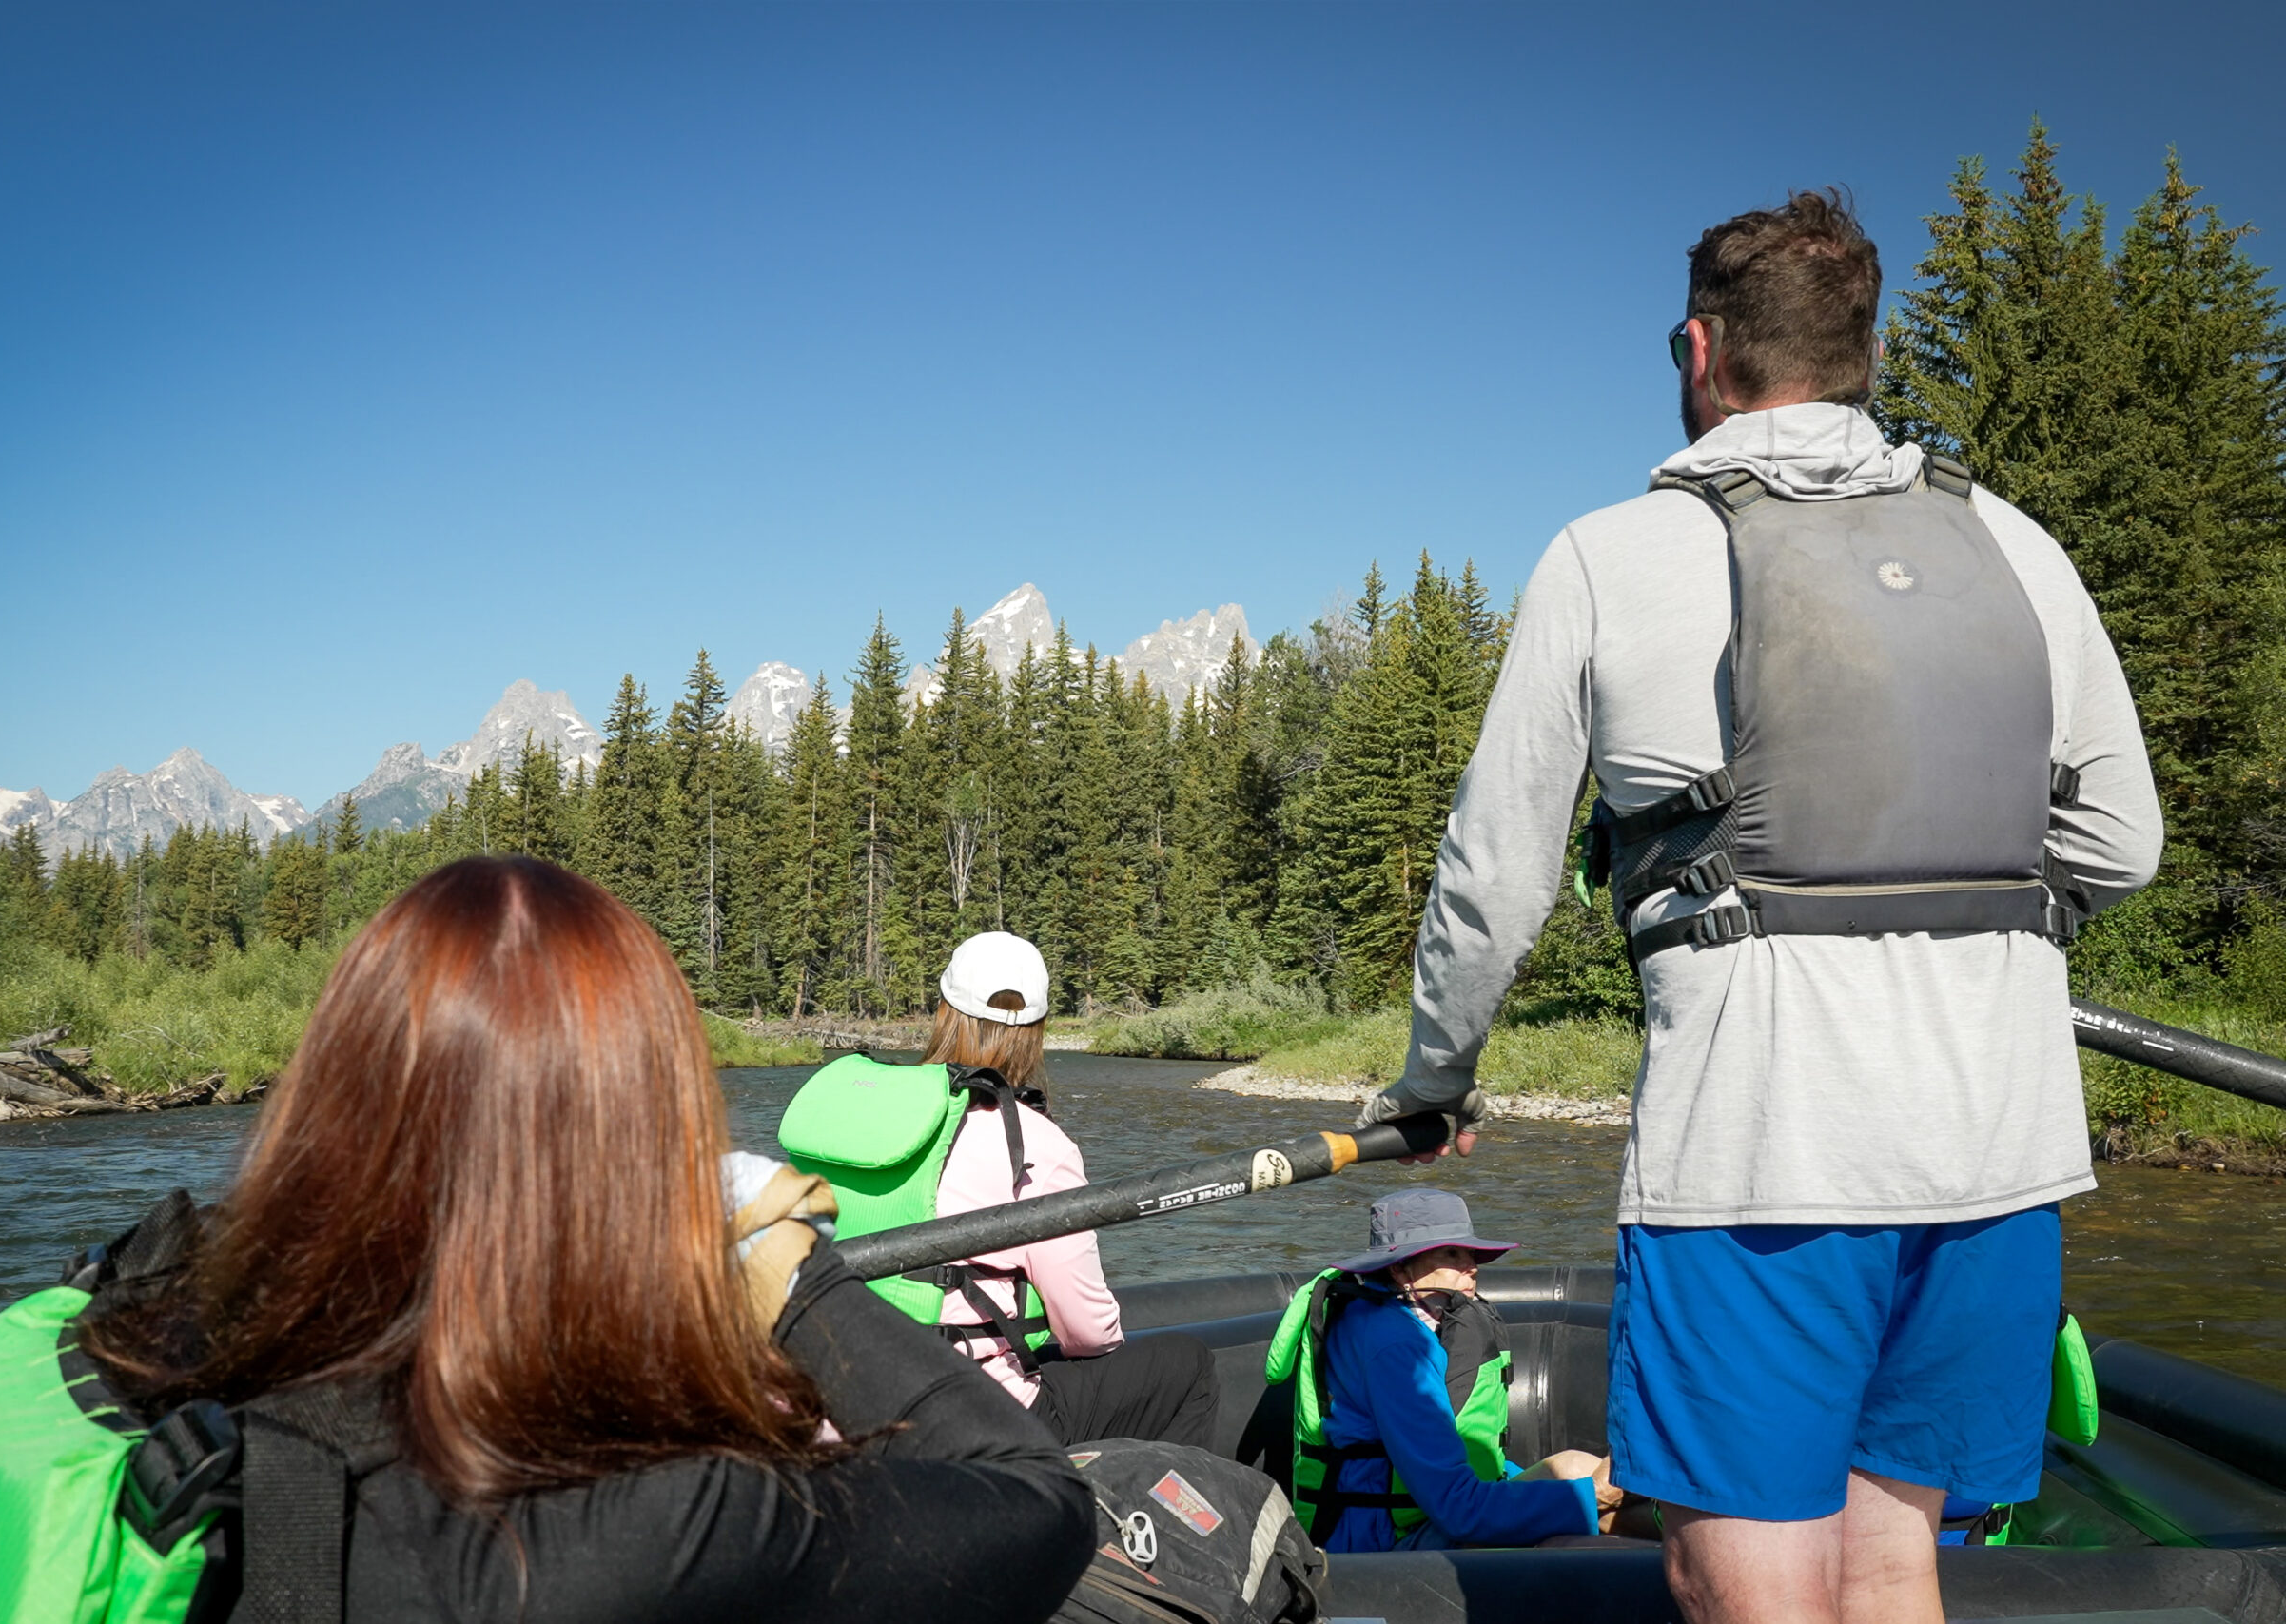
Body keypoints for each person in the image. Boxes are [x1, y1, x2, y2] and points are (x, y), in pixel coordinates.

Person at [1353, 191, 2162, 1624]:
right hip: (2002, 1148)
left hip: (1762, 1157)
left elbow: (1493, 879)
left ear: (1700, 349)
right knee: (1894, 1554)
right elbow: (2122, 843)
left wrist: (1437, 1077)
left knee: (1745, 1579)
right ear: (1862, 349)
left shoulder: (1610, 553)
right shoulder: (2017, 547)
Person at [0, 858, 1095, 1624]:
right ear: (638, 1154)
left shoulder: (121, 1330)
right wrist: (795, 1280)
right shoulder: (661, 1524)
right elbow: (1042, 1502)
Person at [781, 930, 1219, 1449]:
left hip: (834, 1399)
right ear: (1037, 1030)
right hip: (962, 1418)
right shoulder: (1034, 1143)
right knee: (1188, 1367)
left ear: (943, 1010)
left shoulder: (857, 1115)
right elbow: (1088, 1331)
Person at [1268, 1188, 1619, 1551]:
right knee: (1582, 1533)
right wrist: (1599, 1495)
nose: (1472, 1266)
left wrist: (1588, 1492)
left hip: (1418, 1518)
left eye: (1471, 1253)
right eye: (1452, 1253)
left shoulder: (1377, 1315)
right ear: (1401, 1267)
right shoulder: (1398, 1348)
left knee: (1573, 1466)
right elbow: (1459, 1511)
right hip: (1382, 1547)